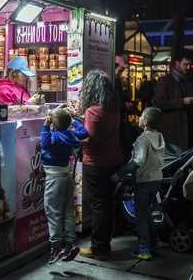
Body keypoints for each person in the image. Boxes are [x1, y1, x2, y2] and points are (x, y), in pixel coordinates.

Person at [78, 69, 122, 260]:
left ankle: (99, 248)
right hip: (113, 160)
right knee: (106, 204)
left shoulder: (93, 110)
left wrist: (75, 131)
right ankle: (105, 243)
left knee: (98, 206)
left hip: (95, 163)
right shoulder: (113, 108)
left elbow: (90, 139)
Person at [111, 107, 166, 260]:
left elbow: (138, 160)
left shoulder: (143, 138)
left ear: (145, 121)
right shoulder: (160, 136)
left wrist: (119, 174)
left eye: (141, 116)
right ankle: (154, 244)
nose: (139, 118)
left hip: (144, 181)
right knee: (148, 214)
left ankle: (144, 250)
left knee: (141, 217)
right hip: (156, 179)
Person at [40, 108, 88, 264]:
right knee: (68, 211)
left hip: (54, 178)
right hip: (67, 177)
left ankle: (56, 247)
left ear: (54, 124)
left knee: (53, 212)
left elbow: (44, 143)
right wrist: (74, 120)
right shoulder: (70, 134)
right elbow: (84, 132)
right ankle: (70, 244)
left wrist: (45, 125)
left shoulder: (53, 136)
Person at [153, 49, 193, 151]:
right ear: (177, 63)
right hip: (173, 133)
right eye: (185, 64)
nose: (188, 67)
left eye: (190, 65)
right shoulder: (165, 81)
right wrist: (182, 102)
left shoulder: (191, 80)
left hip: (190, 132)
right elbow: (157, 104)